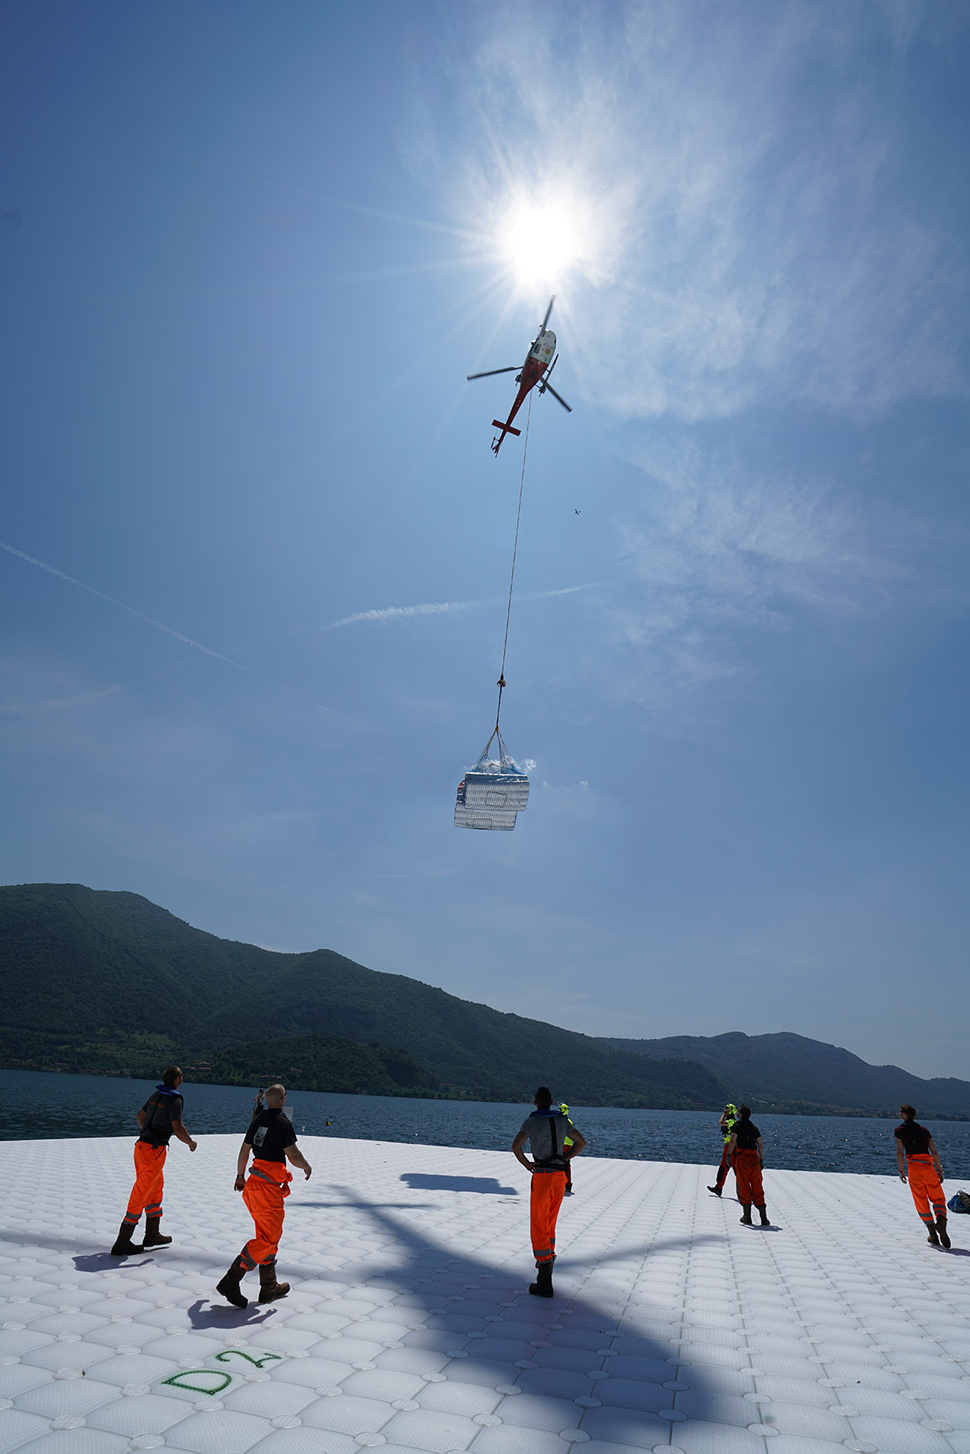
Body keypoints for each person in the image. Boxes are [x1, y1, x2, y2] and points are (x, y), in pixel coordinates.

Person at [216, 1084, 312, 1308]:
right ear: (283, 1099)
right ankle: (232, 1279)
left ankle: (269, 1287)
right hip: (268, 1190)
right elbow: (293, 1154)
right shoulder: (283, 1123)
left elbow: (244, 1150)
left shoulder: (258, 1121)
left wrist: (240, 1176)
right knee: (269, 1239)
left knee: (267, 1235)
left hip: (253, 1186)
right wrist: (306, 1166)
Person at [111, 1066, 197, 1256]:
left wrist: (148, 1132)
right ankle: (122, 1241)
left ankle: (152, 1234)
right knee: (142, 1192)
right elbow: (178, 1127)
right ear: (177, 1079)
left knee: (156, 1187)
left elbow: (140, 1116)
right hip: (153, 1150)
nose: (182, 1078)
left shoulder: (156, 1094)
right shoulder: (174, 1099)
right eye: (181, 1076)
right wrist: (190, 1142)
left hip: (142, 1147)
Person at [513, 1087, 586, 1298]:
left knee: (538, 1222)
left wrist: (528, 1165)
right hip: (559, 1177)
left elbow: (516, 1146)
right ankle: (549, 1261)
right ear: (552, 1101)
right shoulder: (562, 1121)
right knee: (550, 1221)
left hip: (543, 1176)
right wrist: (566, 1158)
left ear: (535, 1102)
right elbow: (581, 1143)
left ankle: (544, 1279)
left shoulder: (531, 1121)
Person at [895, 1104, 950, 1248]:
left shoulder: (899, 1131)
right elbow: (934, 1152)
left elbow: (900, 1153)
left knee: (921, 1200)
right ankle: (941, 1222)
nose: (899, 1113)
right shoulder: (924, 1130)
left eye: (901, 1112)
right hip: (928, 1167)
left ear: (905, 1115)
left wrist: (901, 1171)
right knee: (938, 1198)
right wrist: (939, 1170)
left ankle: (932, 1233)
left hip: (914, 1168)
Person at [727, 1105, 769, 1226]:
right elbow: (760, 1145)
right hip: (754, 1158)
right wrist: (761, 1159)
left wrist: (729, 1155)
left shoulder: (737, 1126)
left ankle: (747, 1216)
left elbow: (733, 1140)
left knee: (743, 1185)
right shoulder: (754, 1128)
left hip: (742, 1157)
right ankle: (763, 1218)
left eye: (738, 1111)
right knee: (757, 1185)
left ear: (741, 1114)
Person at [708, 1102, 738, 1197]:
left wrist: (723, 1115)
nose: (725, 1110)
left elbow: (720, 1122)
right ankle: (718, 1187)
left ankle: (747, 1190)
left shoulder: (731, 1121)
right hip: (727, 1146)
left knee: (736, 1169)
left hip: (731, 1147)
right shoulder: (729, 1120)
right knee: (723, 1167)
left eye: (727, 1109)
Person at [560, 1102, 576, 1195]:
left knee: (558, 1165)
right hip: (569, 1146)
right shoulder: (570, 1122)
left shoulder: (558, 1121)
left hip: (561, 1145)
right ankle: (568, 1185)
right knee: (567, 1166)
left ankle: (559, 1184)